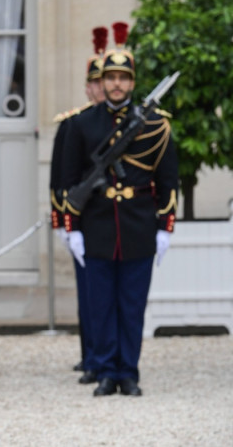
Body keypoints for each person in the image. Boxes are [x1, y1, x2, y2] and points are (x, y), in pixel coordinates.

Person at [61, 21, 178, 397]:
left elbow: (168, 179)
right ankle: (106, 370)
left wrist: (165, 226)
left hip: (139, 225)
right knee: (100, 306)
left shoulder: (156, 125)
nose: (116, 84)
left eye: (123, 78)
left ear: (132, 82)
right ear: (102, 80)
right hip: (96, 226)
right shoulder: (82, 123)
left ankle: (129, 371)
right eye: (110, 77)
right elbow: (71, 178)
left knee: (131, 305)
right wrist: (72, 226)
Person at [49, 26, 107, 383]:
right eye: (98, 82)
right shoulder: (74, 123)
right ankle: (92, 356)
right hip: (83, 220)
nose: (103, 88)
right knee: (89, 295)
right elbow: (61, 177)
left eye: (110, 81)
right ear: (88, 87)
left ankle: (106, 358)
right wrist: (63, 221)